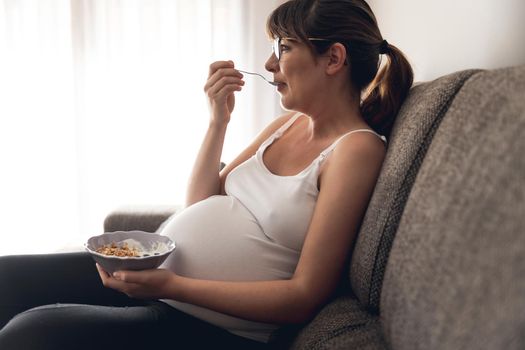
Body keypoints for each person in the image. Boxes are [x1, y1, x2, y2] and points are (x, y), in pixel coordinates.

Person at [0, 0, 413, 348]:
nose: (270, 62)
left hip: (212, 324)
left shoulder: (356, 149)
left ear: (334, 59)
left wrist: (171, 286)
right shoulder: (286, 125)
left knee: (28, 334)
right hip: (160, 284)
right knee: (8, 279)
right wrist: (218, 121)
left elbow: (303, 296)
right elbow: (202, 202)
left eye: (284, 48)